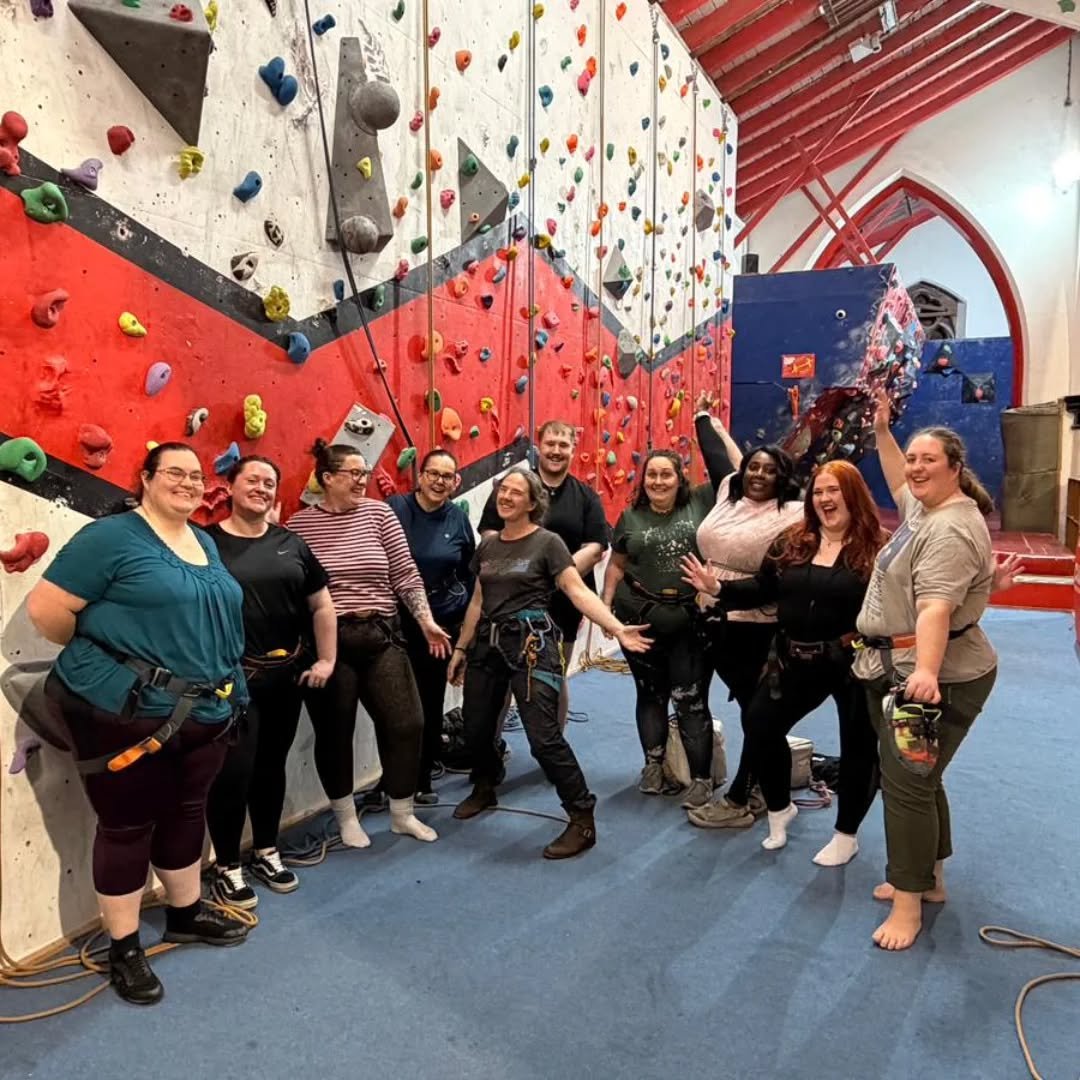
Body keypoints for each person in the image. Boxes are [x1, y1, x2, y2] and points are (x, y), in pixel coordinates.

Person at [26, 443, 250, 1007]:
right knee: (126, 826)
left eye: (196, 475)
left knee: (187, 812)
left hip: (204, 713)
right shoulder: (111, 538)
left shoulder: (201, 541)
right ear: (145, 478)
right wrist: (115, 672)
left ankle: (184, 913)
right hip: (124, 715)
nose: (188, 482)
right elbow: (48, 613)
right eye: (173, 472)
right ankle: (123, 947)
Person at [855, 391, 1001, 951]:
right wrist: (885, 433)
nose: (915, 468)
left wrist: (927, 675)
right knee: (920, 777)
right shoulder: (930, 508)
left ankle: (909, 903)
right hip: (903, 663)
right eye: (913, 458)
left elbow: (936, 608)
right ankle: (931, 879)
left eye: (927, 460)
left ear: (956, 469)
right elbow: (897, 479)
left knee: (906, 785)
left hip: (933, 672)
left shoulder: (949, 528)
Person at [682, 460, 886, 858]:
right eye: (818, 491)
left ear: (854, 495)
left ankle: (847, 835)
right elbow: (763, 588)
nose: (825, 499)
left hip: (853, 661)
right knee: (759, 722)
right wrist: (718, 587)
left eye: (834, 490)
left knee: (859, 746)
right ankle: (779, 809)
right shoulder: (793, 540)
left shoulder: (878, 547)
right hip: (794, 656)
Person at [449, 469, 651, 858]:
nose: (505, 497)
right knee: (475, 729)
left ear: (532, 503)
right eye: (502, 491)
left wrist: (616, 627)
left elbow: (576, 590)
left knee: (544, 738)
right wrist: (460, 649)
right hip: (486, 648)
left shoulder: (547, 543)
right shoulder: (488, 548)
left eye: (515, 492)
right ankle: (486, 785)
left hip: (531, 645)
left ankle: (581, 816)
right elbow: (477, 601)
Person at [287, 440, 451, 849]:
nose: (363, 480)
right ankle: (346, 818)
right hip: (330, 642)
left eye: (365, 473)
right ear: (328, 478)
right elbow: (294, 590)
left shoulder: (380, 514)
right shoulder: (299, 526)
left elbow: (405, 573)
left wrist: (426, 620)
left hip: (383, 634)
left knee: (407, 723)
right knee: (335, 732)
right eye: (354, 473)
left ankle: (402, 813)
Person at [204, 456, 337, 908]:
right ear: (231, 487)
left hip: (286, 678)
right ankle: (226, 865)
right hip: (232, 682)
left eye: (269, 483)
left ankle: (265, 849)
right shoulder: (206, 545)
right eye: (252, 480)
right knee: (233, 772)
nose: (261, 488)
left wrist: (327, 660)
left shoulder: (292, 543)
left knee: (270, 766)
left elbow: (321, 605)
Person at [681, 398, 804, 825]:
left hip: (757, 627)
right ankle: (767, 788)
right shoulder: (727, 495)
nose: (759, 475)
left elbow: (775, 585)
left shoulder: (792, 515)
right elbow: (716, 455)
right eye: (754, 467)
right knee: (752, 713)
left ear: (782, 477)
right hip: (713, 621)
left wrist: (721, 589)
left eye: (770, 470)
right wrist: (702, 417)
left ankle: (742, 798)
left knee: (758, 715)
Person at [600, 429, 736, 809]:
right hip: (639, 618)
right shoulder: (631, 515)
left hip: (690, 621)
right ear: (644, 481)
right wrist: (606, 606)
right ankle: (653, 767)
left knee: (690, 699)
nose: (658, 481)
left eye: (666, 474)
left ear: (680, 478)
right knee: (650, 694)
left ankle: (701, 780)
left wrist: (712, 427)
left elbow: (727, 468)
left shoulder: (702, 501)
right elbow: (618, 562)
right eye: (652, 475)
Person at [478, 420, 608, 726]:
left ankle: (553, 747)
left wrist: (555, 574)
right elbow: (488, 534)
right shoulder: (512, 488)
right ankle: (492, 751)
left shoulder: (586, 497)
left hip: (563, 604)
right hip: (509, 601)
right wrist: (522, 572)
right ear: (539, 447)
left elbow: (595, 547)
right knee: (504, 679)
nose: (556, 451)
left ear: (574, 450)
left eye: (564, 445)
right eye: (550, 444)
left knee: (554, 675)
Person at [388, 449, 476, 802]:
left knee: (429, 701)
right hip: (395, 623)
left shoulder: (457, 519)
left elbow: (470, 573)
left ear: (455, 482)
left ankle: (422, 779)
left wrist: (466, 630)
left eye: (448, 475)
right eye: (433, 473)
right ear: (420, 476)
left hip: (440, 626)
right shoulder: (394, 508)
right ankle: (391, 780)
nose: (440, 481)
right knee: (393, 706)